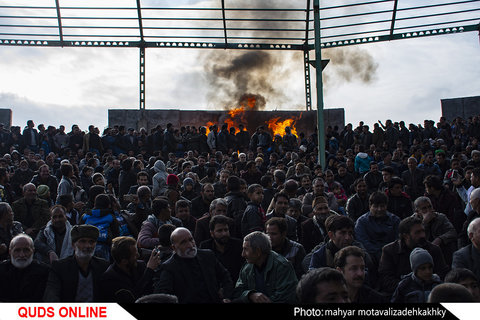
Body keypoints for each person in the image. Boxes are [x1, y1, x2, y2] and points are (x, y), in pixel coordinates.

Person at [153, 227, 233, 303]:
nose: (190, 245)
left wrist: (226, 296)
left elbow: (225, 276)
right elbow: (162, 295)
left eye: (191, 240)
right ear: (174, 248)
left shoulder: (207, 256)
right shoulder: (169, 267)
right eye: (183, 242)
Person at [378, 215, 449, 296]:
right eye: (417, 232)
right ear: (406, 236)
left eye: (423, 231)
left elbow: (443, 274)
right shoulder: (390, 251)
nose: (422, 235)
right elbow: (386, 279)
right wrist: (409, 287)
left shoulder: (433, 250)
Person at [43, 224, 110, 302]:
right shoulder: (60, 267)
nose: (88, 246)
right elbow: (51, 295)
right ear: (73, 245)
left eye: (91, 242)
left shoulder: (103, 266)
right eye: (83, 241)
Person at [232, 231, 298, 303]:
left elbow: (286, 296)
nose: (243, 254)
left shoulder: (282, 266)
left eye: (246, 249)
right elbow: (238, 292)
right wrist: (250, 295)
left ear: (258, 252)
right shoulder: (247, 267)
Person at [99, 236, 161, 302]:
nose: (138, 256)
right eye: (135, 255)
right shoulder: (110, 278)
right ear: (124, 261)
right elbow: (132, 296)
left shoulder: (141, 265)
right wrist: (149, 271)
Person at [0, 234, 50, 302]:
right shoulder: (2, 270)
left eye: (26, 250)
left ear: (33, 251)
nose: (22, 255)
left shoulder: (44, 271)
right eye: (17, 250)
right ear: (10, 252)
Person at [354, 191, 401, 265]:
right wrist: (379, 253)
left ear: (386, 206)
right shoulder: (361, 222)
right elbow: (363, 241)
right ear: (370, 206)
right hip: (371, 257)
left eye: (382, 206)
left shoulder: (395, 220)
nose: (379, 209)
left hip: (392, 255)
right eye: (376, 206)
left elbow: (398, 239)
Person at [412, 196, 457, 265]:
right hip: (421, 253)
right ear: (417, 211)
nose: (428, 210)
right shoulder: (412, 222)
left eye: (430, 207)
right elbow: (414, 239)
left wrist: (440, 239)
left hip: (441, 251)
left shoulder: (440, 217)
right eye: (424, 208)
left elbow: (452, 232)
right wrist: (424, 223)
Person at [199, 215, 244, 282]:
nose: (224, 234)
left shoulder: (238, 245)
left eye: (226, 230)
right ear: (212, 233)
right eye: (220, 231)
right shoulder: (205, 247)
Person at [81, 193, 120, 260]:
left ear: (94, 204)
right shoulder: (111, 217)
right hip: (105, 247)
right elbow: (116, 234)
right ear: (108, 205)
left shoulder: (85, 216)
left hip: (86, 246)